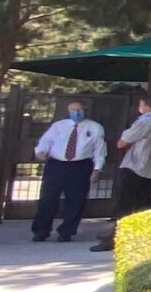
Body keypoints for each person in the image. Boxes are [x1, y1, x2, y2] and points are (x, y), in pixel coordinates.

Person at [92, 95, 151, 251]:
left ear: (146, 105)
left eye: (140, 103)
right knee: (142, 203)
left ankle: (116, 238)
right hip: (149, 167)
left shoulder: (145, 122)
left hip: (135, 165)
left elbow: (122, 142)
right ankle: (140, 236)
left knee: (124, 204)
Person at [30, 100, 107, 244]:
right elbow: (46, 141)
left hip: (80, 166)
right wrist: (41, 151)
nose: (76, 113)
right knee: (48, 198)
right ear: (68, 110)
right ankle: (41, 231)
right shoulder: (59, 126)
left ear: (84, 110)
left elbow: (99, 150)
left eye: (79, 110)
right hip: (57, 164)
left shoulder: (95, 128)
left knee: (75, 200)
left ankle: (67, 232)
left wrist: (97, 169)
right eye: (73, 110)